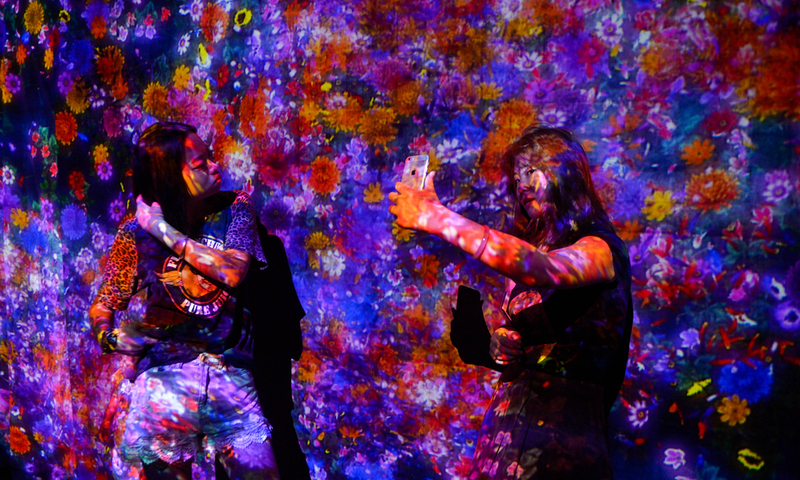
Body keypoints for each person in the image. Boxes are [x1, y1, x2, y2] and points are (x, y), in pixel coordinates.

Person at [389, 126, 632, 479]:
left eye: (531, 171)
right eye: (516, 176)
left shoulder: (600, 247)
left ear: (566, 174)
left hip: (560, 440)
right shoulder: (536, 244)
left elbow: (543, 269)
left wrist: (439, 218)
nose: (520, 184)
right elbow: (527, 324)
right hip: (507, 429)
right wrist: (499, 341)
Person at [89, 122, 280, 480]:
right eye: (200, 163)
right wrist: (111, 338)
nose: (214, 165)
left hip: (228, 373)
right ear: (168, 176)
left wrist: (162, 230)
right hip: (164, 383)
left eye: (210, 156)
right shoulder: (133, 234)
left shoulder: (233, 209)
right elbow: (103, 305)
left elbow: (233, 271)